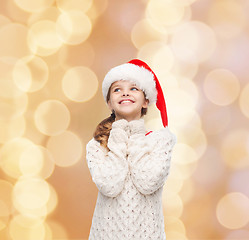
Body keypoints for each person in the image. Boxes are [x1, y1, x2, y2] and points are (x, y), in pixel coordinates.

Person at [86, 59, 176, 240]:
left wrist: (135, 133)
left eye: (133, 88)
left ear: (146, 101)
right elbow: (110, 186)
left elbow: (147, 182)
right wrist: (119, 135)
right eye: (117, 89)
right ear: (110, 103)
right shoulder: (97, 145)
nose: (125, 93)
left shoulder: (161, 141)